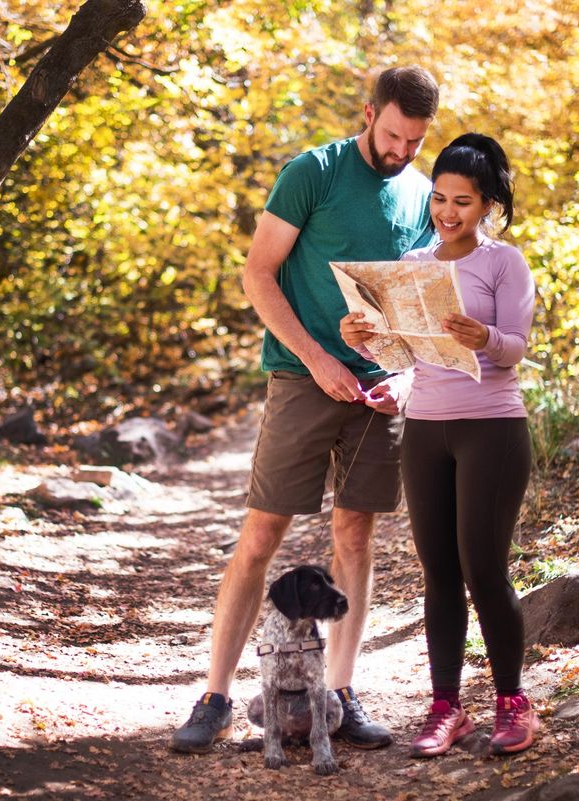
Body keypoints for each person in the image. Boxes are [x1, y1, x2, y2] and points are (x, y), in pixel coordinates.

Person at [169, 66, 440, 755]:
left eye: (414, 140)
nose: (400, 151)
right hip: (300, 376)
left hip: (379, 393)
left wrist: (406, 378)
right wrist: (317, 359)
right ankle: (216, 695)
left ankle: (341, 694)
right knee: (261, 535)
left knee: (356, 537)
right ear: (369, 112)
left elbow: (414, 308)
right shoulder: (310, 173)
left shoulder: (420, 193)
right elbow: (257, 275)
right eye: (391, 135)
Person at [339, 133, 539, 758]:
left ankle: (512, 701)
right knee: (439, 576)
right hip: (425, 431)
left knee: (483, 569)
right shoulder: (417, 263)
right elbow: (409, 354)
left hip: (492, 430)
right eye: (440, 199)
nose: (448, 212)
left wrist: (483, 335)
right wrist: (365, 341)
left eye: (463, 201)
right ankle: (446, 706)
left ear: (487, 205)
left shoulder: (504, 264)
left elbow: (516, 350)